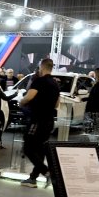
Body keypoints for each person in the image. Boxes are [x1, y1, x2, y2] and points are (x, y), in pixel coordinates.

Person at [20, 58, 60, 188]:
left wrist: (21, 102)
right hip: (49, 121)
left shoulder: (39, 81)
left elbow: (29, 97)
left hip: (37, 120)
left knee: (28, 148)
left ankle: (47, 172)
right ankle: (33, 178)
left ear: (41, 67)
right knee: (40, 149)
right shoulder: (55, 84)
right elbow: (57, 104)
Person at [84, 67, 99, 134]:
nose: (94, 74)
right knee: (96, 125)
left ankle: (94, 138)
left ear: (98, 74)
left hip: (94, 108)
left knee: (94, 125)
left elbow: (95, 97)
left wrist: (86, 99)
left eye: (95, 73)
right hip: (97, 107)